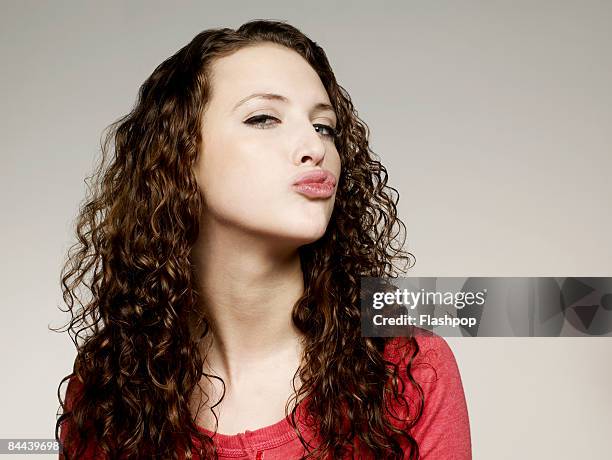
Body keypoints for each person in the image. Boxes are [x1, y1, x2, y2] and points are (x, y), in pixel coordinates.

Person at [55, 19, 471, 459]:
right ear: (180, 157)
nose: (315, 145)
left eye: (324, 126)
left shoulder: (408, 370)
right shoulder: (110, 388)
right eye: (263, 118)